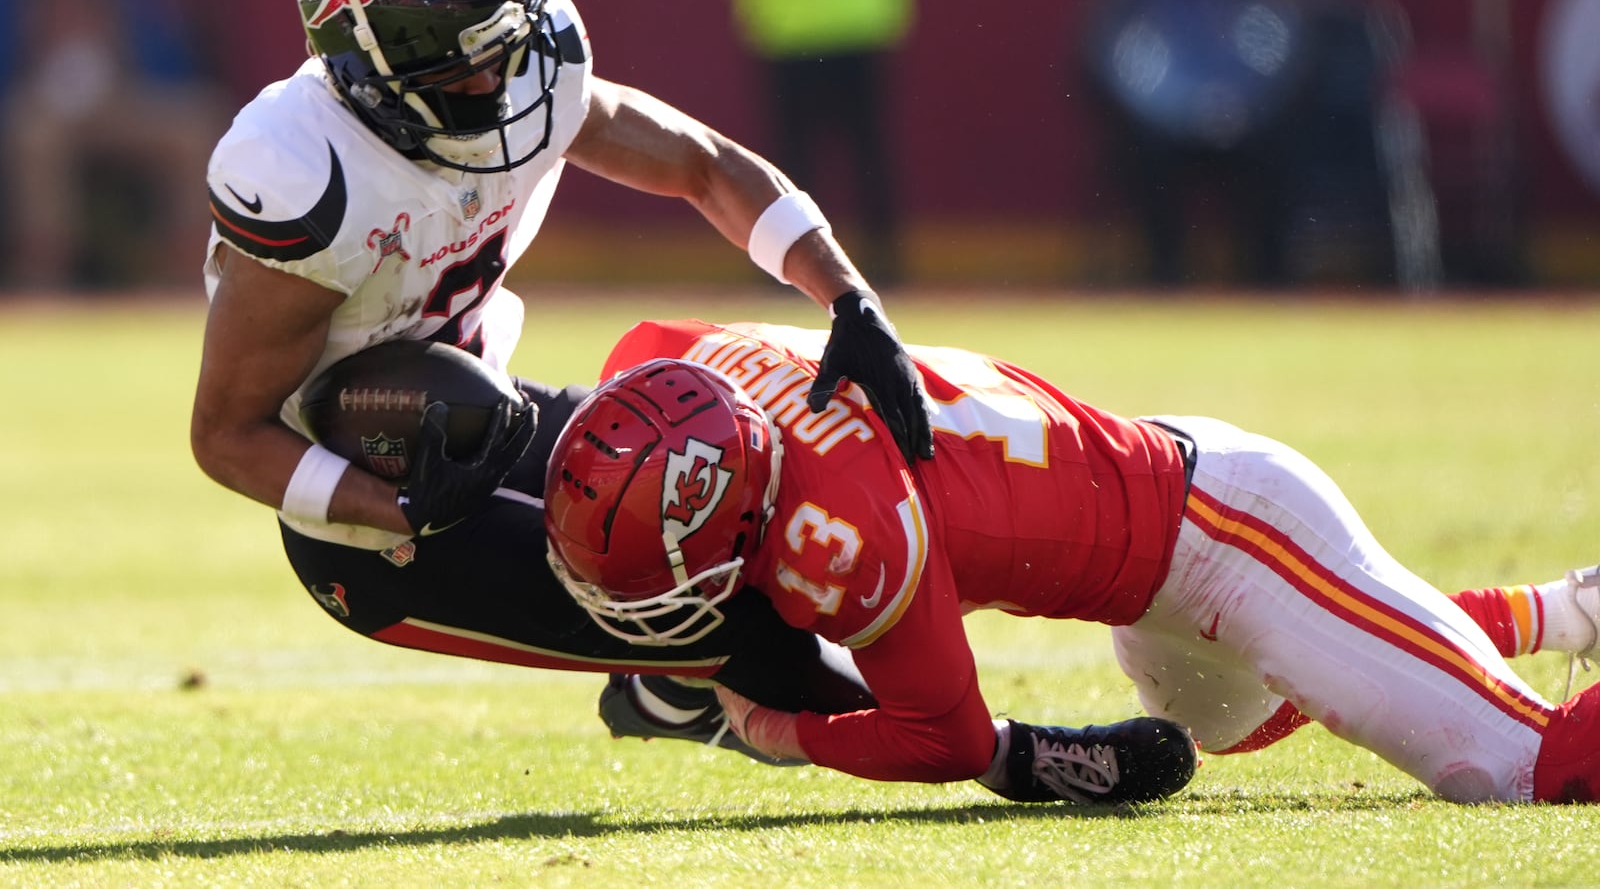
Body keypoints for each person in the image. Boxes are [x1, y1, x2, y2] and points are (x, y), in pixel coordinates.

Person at [188, 0, 935, 761]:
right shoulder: (309, 173)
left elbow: (703, 167)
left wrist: (849, 298)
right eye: (461, 61)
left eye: (501, 46)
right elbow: (226, 433)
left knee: (756, 490)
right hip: (366, 516)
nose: (498, 80)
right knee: (742, 629)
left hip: (482, 410)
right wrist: (391, 506)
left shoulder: (527, 71)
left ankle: (664, 692)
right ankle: (995, 751)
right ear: (376, 68)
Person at [543, 317, 1600, 803]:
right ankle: (1556, 611)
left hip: (1234, 533)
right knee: (1251, 714)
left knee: (1511, 769)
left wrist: (773, 724)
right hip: (1154, 551)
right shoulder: (668, 364)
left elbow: (948, 737)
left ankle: (1477, 646)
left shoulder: (852, 532)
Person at [715, 0, 932, 284]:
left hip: (789, 19)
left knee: (788, 162)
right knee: (870, 152)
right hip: (869, 14)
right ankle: (885, 265)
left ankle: (786, 271)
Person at [0, 0, 226, 291]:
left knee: (193, 125)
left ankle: (187, 276)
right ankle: (46, 281)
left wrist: (121, 69)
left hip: (119, 106)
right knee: (36, 136)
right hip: (43, 113)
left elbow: (171, 66)